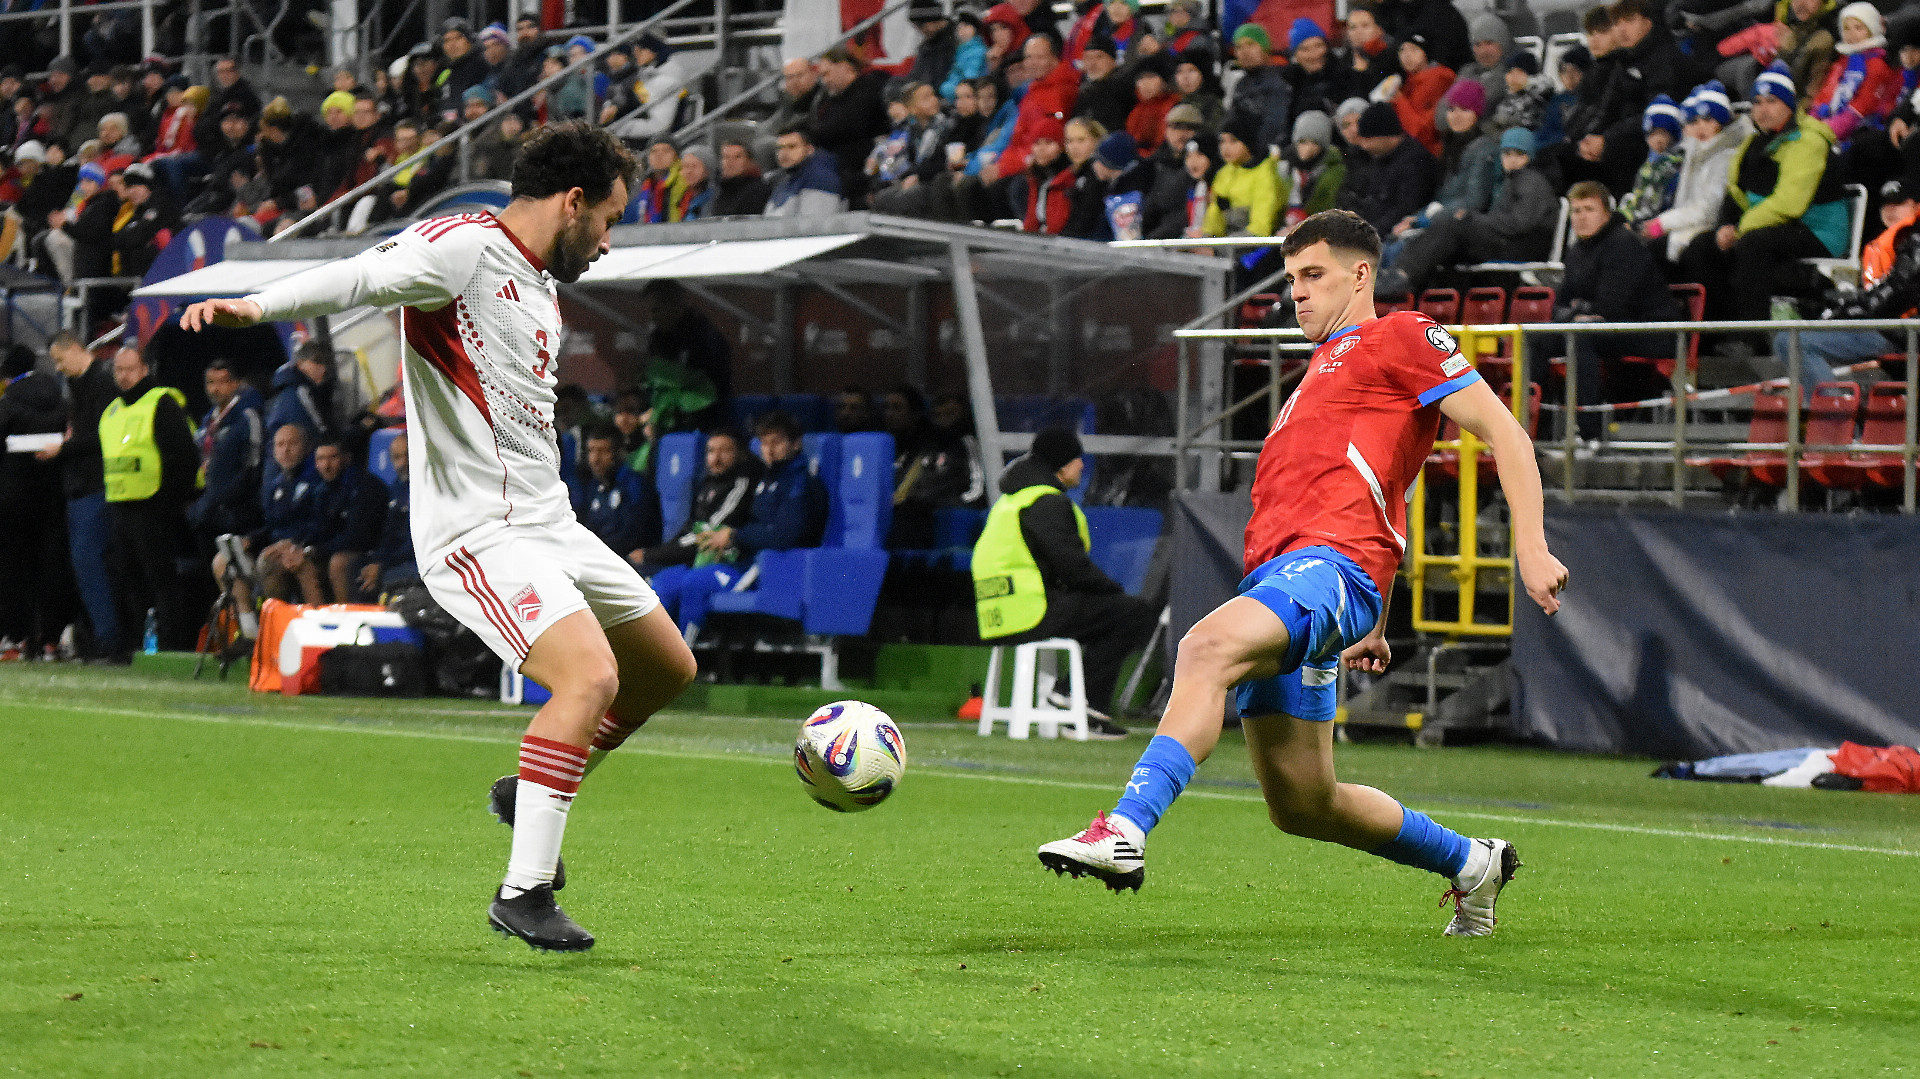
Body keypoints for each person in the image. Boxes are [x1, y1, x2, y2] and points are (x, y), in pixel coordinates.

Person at [177, 120, 699, 953]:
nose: (608, 241)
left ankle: (529, 789)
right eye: (608, 219)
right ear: (572, 202)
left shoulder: (539, 283)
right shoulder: (464, 247)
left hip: (550, 522)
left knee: (667, 667)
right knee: (590, 676)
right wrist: (258, 306)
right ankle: (524, 892)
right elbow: (360, 275)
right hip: (478, 532)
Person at [1036, 210, 1568, 937]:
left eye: (1313, 275)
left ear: (1361, 274)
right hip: (1292, 581)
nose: (1298, 292)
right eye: (1291, 279)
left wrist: (1530, 546)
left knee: (1204, 649)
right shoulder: (1319, 373)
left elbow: (1505, 430)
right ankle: (1474, 862)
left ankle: (1124, 829)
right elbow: (1389, 488)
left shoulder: (1402, 335)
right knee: (1302, 805)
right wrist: (1374, 620)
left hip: (1328, 571)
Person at [970, 427, 1147, 737]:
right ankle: (1078, 700)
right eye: (1077, 459)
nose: (1082, 465)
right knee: (1131, 612)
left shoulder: (1012, 500)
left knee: (1106, 611)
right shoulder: (1046, 501)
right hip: (1031, 611)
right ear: (1062, 465)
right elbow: (1071, 566)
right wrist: (1113, 590)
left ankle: (1074, 697)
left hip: (996, 614)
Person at [1678, 62, 1851, 335]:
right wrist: (1725, 225)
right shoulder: (1754, 143)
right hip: (1770, 226)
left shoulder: (1808, 141)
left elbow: (1789, 203)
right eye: (1757, 102)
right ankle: (1714, 334)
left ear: (1789, 105)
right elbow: (1736, 192)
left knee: (1753, 244)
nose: (1762, 109)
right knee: (1702, 247)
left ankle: (1753, 337)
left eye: (1771, 101)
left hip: (1817, 230)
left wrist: (1740, 228)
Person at [646, 410, 826, 635]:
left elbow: (785, 535)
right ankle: (650, 654)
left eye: (777, 442)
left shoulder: (801, 485)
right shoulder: (765, 481)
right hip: (740, 562)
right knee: (664, 583)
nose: (769, 450)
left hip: (770, 569)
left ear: (796, 444)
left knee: (695, 583)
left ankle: (685, 653)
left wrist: (734, 536)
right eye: (764, 443)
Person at [1554, 181, 1685, 436]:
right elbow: (1558, 305)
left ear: (1606, 213)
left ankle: (1588, 433)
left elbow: (1611, 307)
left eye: (1589, 209)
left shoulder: (1623, 244)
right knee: (1536, 337)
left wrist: (1576, 311)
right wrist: (1578, 312)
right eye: (1576, 210)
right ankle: (1528, 431)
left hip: (1650, 330)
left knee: (1581, 337)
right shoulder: (1576, 252)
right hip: (1606, 328)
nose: (1581, 217)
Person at [99, 345, 198, 653]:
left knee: (161, 581)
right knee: (129, 581)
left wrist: (168, 502)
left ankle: (169, 647)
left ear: (144, 370)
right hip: (121, 507)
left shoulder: (161, 403)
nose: (123, 376)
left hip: (154, 508)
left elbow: (184, 457)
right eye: (118, 370)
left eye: (130, 369)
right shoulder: (112, 411)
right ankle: (135, 646)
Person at [1779, 178, 1920, 385]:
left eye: (1899, 204)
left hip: (1902, 332)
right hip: (1890, 327)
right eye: (1886, 205)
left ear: (1916, 205)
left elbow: (1896, 293)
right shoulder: (1888, 242)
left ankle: (1832, 405)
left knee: (1791, 341)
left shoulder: (1913, 239)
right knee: (1796, 335)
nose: (1890, 210)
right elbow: (1880, 292)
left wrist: (1844, 312)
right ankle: (1831, 401)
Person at [43, 333, 122, 660]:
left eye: (60, 360)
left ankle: (110, 640)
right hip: (80, 488)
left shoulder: (102, 383)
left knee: (89, 561)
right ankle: (100, 638)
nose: (58, 368)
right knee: (86, 564)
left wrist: (63, 448)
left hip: (95, 487)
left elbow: (101, 437)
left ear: (75, 349)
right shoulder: (80, 387)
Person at [0, 344, 76, 659]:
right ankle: (51, 639)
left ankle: (16, 638)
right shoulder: (62, 401)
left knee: (13, 568)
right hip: (54, 496)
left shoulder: (7, 404)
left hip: (12, 500)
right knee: (53, 566)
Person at [630, 426, 759, 576]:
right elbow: (691, 526)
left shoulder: (742, 484)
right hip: (695, 559)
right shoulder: (708, 482)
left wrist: (653, 555)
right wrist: (657, 553)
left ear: (741, 454)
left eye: (724, 451)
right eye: (711, 451)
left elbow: (707, 533)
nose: (716, 459)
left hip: (726, 563)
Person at [1644, 81, 1752, 262]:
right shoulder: (1697, 150)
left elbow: (1709, 209)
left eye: (1708, 120)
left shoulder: (1726, 155)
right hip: (1689, 224)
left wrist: (1662, 223)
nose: (1701, 127)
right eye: (1696, 121)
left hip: (1712, 228)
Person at [186, 357, 264, 559]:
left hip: (239, 513)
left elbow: (253, 466)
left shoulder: (247, 417)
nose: (215, 389)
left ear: (235, 384)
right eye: (210, 382)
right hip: (210, 512)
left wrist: (227, 498)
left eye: (222, 382)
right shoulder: (208, 421)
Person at [307, 437, 389, 603]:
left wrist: (319, 549)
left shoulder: (365, 486)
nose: (326, 465)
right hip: (337, 546)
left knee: (338, 563)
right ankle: (312, 615)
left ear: (347, 458)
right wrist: (301, 546)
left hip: (370, 549)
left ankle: (344, 613)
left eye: (332, 457)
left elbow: (358, 537)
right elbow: (318, 528)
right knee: (296, 559)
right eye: (321, 459)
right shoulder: (321, 490)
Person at [1340, 102, 1439, 238]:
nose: (1364, 146)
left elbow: (1405, 209)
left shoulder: (1416, 163)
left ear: (1385, 135)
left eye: (1368, 140)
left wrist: (1367, 235)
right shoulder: (1379, 159)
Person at [572, 426, 663, 563]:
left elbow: (629, 539)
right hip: (598, 559)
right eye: (591, 451)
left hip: (632, 564)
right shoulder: (594, 486)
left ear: (619, 453)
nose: (595, 459)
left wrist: (588, 552)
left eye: (603, 451)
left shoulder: (636, 487)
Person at [348, 432, 417, 602]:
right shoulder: (396, 488)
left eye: (407, 455)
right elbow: (388, 535)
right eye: (397, 457)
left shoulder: (426, 488)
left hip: (415, 559)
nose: (403, 463)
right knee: (356, 569)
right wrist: (377, 560)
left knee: (384, 576)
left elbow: (414, 542)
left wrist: (383, 565)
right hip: (396, 558)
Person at [1225, 24, 1293, 152]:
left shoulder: (1280, 80)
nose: (1245, 52)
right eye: (1239, 47)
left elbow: (1274, 126)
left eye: (1251, 44)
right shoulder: (1241, 84)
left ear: (1265, 48)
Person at [1278, 110, 1346, 228]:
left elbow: (1325, 208)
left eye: (1314, 143)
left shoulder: (1333, 171)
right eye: (1303, 142)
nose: (1308, 148)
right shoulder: (1283, 167)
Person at [764, 123, 847, 217]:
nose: (784, 153)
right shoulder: (785, 180)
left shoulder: (820, 179)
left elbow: (814, 223)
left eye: (792, 147)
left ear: (810, 149)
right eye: (780, 148)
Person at [711, 139, 772, 217]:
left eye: (737, 157)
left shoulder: (758, 191)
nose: (730, 162)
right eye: (726, 157)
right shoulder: (719, 189)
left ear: (749, 161)